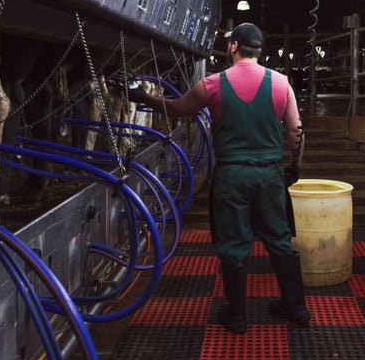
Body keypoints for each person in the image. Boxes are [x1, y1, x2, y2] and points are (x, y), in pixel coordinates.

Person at [123, 22, 310, 333]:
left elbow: (177, 109)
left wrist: (142, 95)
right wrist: (295, 167)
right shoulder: (281, 84)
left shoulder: (212, 84)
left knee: (234, 244)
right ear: (259, 50)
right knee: (279, 239)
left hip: (231, 175)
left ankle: (237, 316)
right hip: (269, 174)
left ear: (234, 47)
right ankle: (297, 307)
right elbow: (296, 132)